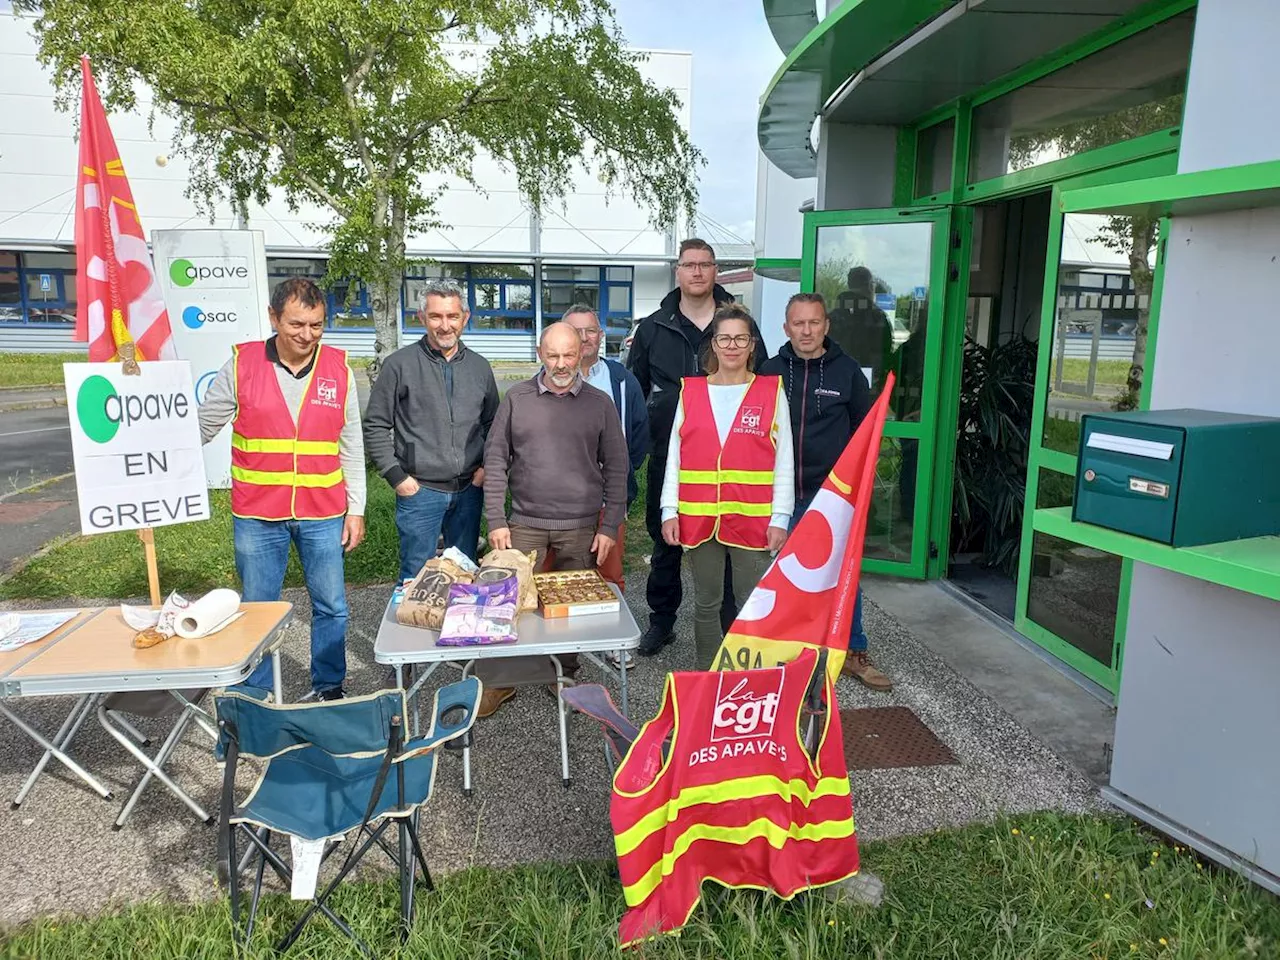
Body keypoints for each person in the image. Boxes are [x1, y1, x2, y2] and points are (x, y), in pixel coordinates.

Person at [198, 277, 365, 700]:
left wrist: (357, 508)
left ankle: (329, 688)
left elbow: (351, 444)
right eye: (296, 325)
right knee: (257, 611)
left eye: (317, 325)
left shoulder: (338, 368)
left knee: (332, 607)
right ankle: (256, 696)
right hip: (257, 514)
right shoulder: (241, 365)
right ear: (273, 319)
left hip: (322, 511)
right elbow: (200, 428)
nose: (307, 335)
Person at [479, 321, 630, 717]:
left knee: (569, 612)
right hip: (524, 522)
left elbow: (617, 468)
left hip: (581, 527)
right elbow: (495, 461)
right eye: (552, 355)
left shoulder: (600, 404)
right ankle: (500, 681)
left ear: (581, 351)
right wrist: (496, 519)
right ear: (539, 353)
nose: (561, 364)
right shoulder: (517, 398)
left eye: (568, 355)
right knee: (506, 604)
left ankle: (562, 675)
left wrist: (609, 526)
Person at [627, 239, 767, 657]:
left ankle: (726, 623)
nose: (698, 272)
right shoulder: (654, 327)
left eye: (705, 265)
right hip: (672, 451)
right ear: (678, 271)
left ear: (715, 270)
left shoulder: (739, 322)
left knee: (725, 536)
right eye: (690, 265)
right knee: (667, 537)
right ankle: (662, 622)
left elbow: (758, 382)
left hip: (729, 454)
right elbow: (636, 388)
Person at [761, 292, 892, 691]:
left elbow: (863, 433)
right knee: (783, 577)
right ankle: (788, 654)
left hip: (834, 497)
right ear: (786, 328)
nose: (806, 330)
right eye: (798, 323)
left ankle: (853, 650)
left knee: (844, 575)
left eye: (814, 322)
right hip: (781, 495)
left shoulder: (848, 372)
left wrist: (855, 489)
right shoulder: (768, 371)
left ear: (826, 326)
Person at [659, 304, 793, 671]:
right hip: (699, 515)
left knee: (751, 600)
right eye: (724, 338)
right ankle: (707, 674)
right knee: (706, 601)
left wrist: (781, 516)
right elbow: (675, 455)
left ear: (752, 345)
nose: (732, 345)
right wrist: (669, 510)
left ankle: (749, 675)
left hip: (753, 518)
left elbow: (785, 460)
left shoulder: (770, 391)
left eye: (741, 338)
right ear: (713, 344)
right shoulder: (691, 391)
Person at [363, 279, 499, 581]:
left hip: (468, 491)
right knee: (416, 577)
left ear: (465, 317)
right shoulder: (399, 365)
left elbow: (494, 425)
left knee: (464, 574)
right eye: (436, 316)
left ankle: (458, 628)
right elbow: (375, 423)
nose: (445, 325)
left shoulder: (480, 367)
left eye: (452, 316)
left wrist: (487, 467)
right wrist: (397, 477)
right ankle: (414, 628)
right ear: (422, 317)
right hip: (419, 491)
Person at [827, 266, 894, 391]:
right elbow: (886, 352)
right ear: (869, 286)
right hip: (869, 385)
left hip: (834, 383)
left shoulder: (832, 317)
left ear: (849, 284)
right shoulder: (877, 317)